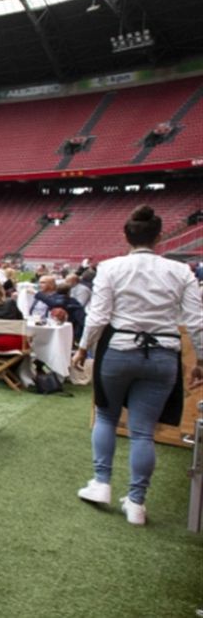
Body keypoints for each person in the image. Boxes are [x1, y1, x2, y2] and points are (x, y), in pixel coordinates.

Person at [73, 205, 203, 526]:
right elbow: (197, 322)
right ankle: (136, 502)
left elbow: (98, 316)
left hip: (119, 350)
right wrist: (200, 359)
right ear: (159, 237)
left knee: (106, 416)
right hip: (163, 354)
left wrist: (83, 347)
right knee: (143, 431)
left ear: (126, 236)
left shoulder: (110, 267)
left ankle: (101, 482)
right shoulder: (181, 271)